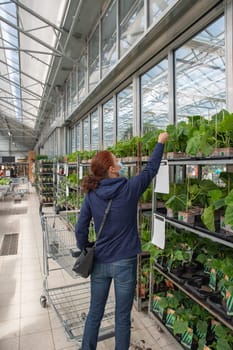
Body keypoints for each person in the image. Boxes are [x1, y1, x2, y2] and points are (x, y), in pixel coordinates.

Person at [75, 132, 168, 350]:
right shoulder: (130, 188)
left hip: (100, 261)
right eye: (117, 161)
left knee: (95, 312)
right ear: (111, 169)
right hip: (125, 262)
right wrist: (160, 143)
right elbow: (151, 170)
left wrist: (86, 247)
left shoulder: (91, 194)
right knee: (122, 316)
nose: (120, 163)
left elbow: (80, 228)